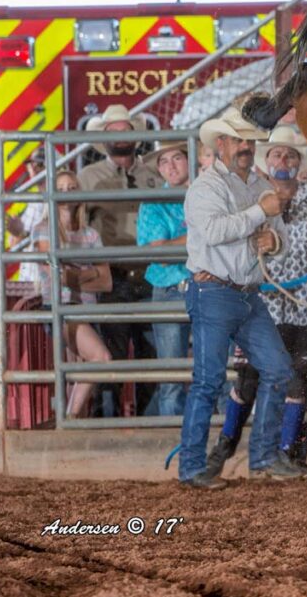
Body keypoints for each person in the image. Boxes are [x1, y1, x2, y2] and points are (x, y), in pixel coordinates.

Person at [204, 125, 307, 478]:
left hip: (306, 307)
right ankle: (226, 448)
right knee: (248, 380)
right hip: (264, 305)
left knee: (297, 379)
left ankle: (288, 454)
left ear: (300, 163)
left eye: (290, 155)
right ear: (268, 161)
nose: (283, 160)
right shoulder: (255, 201)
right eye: (277, 154)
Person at [179, 107, 302, 489]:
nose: (246, 146)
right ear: (221, 145)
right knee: (208, 380)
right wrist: (258, 215)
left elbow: (279, 238)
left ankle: (262, 455)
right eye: (238, 140)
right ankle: (193, 467)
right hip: (216, 290)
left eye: (249, 140)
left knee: (278, 370)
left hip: (243, 292)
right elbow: (215, 231)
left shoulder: (255, 187)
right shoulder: (207, 187)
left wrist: (274, 240)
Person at [79, 103, 162, 415]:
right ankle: (107, 422)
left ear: (136, 135)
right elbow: (75, 223)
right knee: (110, 354)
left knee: (151, 355)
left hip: (150, 273)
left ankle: (150, 423)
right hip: (110, 277)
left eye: (125, 130)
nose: (120, 136)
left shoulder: (154, 174)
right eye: (112, 131)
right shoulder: (88, 178)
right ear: (104, 139)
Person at [32, 169, 113, 418]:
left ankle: (67, 422)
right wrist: (89, 272)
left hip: (85, 309)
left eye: (72, 188)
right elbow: (57, 276)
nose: (67, 193)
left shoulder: (91, 234)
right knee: (101, 358)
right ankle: (70, 418)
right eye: (62, 188)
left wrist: (71, 273)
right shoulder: (44, 229)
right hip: (61, 309)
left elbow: (106, 282)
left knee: (75, 370)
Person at [136, 141, 192, 418]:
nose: (170, 166)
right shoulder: (154, 201)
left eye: (177, 158)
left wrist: (179, 243)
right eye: (164, 161)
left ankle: (219, 438)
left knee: (218, 370)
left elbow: (166, 249)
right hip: (172, 288)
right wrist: (203, 234)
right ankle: (172, 437)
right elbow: (160, 253)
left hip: (207, 287)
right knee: (172, 376)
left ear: (189, 160)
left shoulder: (209, 194)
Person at [6, 147, 48, 285]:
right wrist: (17, 232)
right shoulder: (33, 200)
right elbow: (15, 245)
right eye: (31, 165)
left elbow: (47, 244)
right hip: (30, 280)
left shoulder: (61, 201)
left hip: (45, 283)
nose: (34, 169)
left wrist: (20, 233)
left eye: (40, 165)